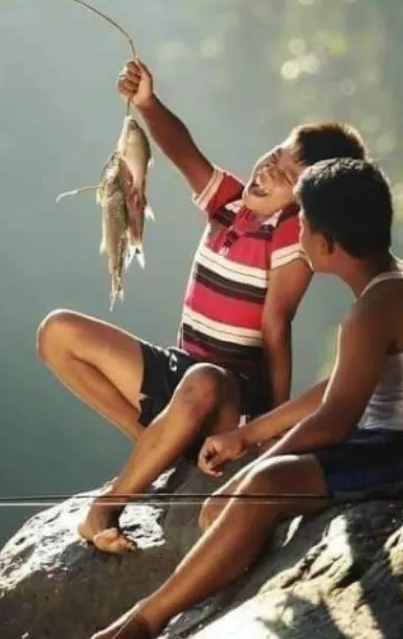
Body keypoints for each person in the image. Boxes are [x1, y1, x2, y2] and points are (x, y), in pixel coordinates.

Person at [36, 60, 367, 553]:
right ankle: (159, 447)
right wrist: (147, 102)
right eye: (273, 157)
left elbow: (278, 324)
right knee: (56, 332)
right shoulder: (227, 203)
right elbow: (182, 150)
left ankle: (110, 503)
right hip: (181, 373)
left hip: (228, 393)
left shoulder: (290, 242)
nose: (267, 172)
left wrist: (265, 432)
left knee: (205, 379)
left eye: (286, 177)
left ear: (305, 203)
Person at [88, 157, 403, 639]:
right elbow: (345, 383)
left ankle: (146, 620)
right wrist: (250, 433)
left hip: (390, 449)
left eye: (302, 228)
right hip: (378, 438)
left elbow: (336, 418)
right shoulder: (387, 291)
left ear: (324, 244)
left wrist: (249, 475)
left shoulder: (371, 312)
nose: (296, 239)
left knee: (263, 487)